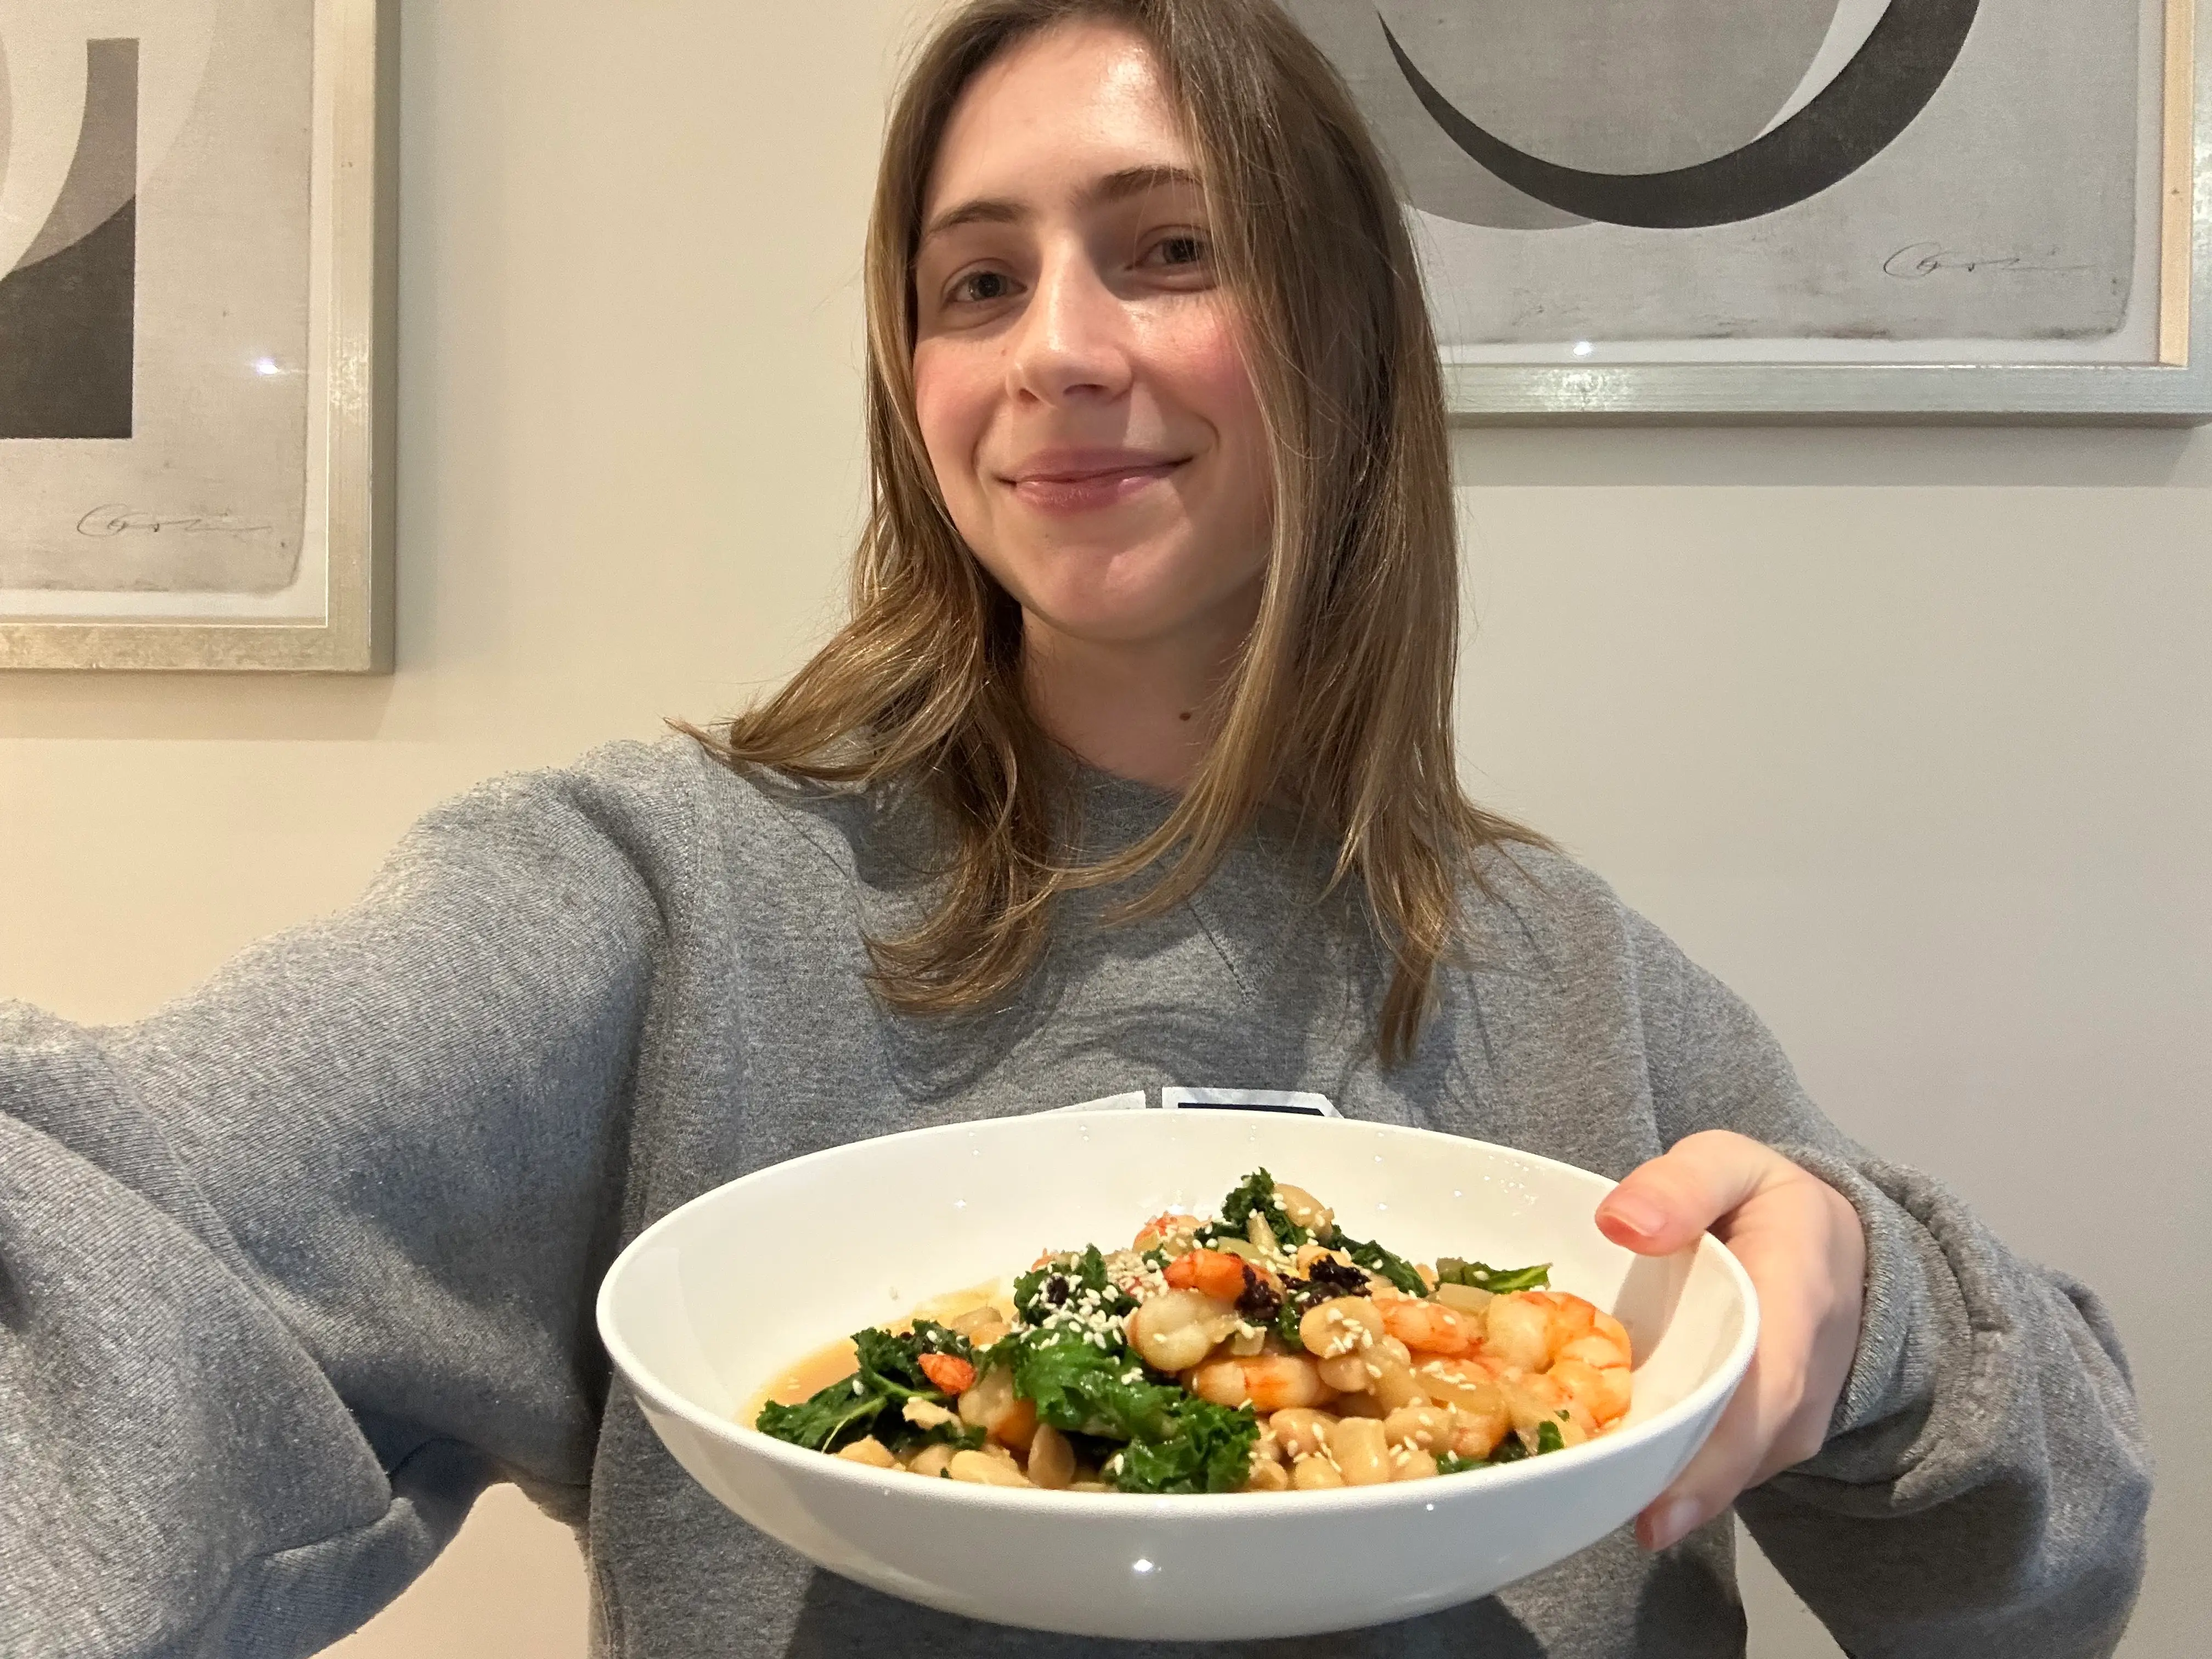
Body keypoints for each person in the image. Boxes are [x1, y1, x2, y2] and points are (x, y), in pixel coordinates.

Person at [0, 1, 2149, 1654]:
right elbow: (133, 1245)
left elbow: (2033, 1574)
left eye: (1169, 251)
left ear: (1341, 342)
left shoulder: (1567, 981)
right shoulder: (655, 907)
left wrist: (1869, 1311)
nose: (1061, 353)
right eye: (975, 284)